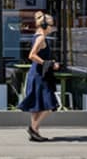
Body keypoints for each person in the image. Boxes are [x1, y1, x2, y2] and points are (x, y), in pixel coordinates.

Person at [17, 11, 58, 141]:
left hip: (37, 74)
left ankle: (35, 133)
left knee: (37, 105)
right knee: (49, 103)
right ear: (45, 25)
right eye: (51, 25)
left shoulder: (38, 36)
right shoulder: (40, 38)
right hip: (39, 76)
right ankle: (33, 128)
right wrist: (49, 64)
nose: (52, 27)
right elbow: (32, 55)